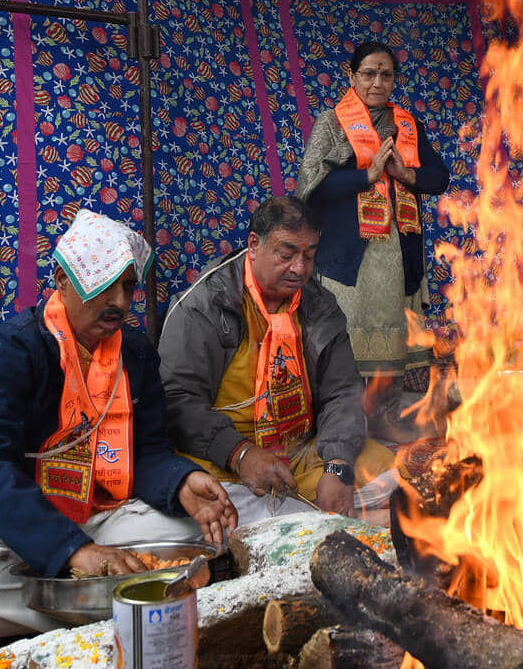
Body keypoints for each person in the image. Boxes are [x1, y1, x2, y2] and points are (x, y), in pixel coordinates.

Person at [0, 211, 237, 640]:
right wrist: (73, 552)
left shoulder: (135, 354)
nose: (119, 302)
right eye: (104, 284)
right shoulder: (7, 352)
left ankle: (62, 609)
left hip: (96, 515)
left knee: (209, 530)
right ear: (61, 279)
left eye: (129, 286)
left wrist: (181, 481)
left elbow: (147, 451)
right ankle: (124, 604)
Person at [159, 196, 397, 522]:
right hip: (225, 461)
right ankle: (325, 519)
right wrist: (239, 453)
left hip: (299, 452)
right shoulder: (204, 306)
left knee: (397, 476)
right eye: (286, 255)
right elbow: (178, 401)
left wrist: (338, 466)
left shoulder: (318, 305)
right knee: (207, 506)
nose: (299, 268)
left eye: (309, 256)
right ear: (253, 245)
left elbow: (342, 392)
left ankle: (311, 518)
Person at [295, 41, 449, 433]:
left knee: (395, 341)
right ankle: (343, 426)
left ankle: (384, 420)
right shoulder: (333, 123)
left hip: (400, 253)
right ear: (351, 76)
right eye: (368, 73)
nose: (377, 82)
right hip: (350, 256)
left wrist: (406, 176)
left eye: (386, 74)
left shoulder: (407, 125)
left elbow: (440, 177)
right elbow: (311, 187)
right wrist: (365, 176)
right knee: (348, 343)